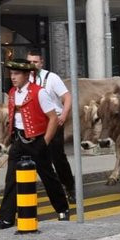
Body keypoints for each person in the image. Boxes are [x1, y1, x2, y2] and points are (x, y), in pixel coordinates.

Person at [0, 60, 70, 230]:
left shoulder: (39, 93)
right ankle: (6, 219)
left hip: (37, 140)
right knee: (11, 179)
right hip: (19, 140)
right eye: (11, 74)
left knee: (48, 177)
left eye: (16, 74)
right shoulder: (11, 93)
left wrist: (45, 142)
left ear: (27, 75)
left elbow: (53, 118)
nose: (13, 77)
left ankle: (62, 209)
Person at [25, 48, 76, 203]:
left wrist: (64, 114)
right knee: (39, 158)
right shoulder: (24, 78)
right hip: (34, 123)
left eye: (35, 62)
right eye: (29, 62)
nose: (32, 65)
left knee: (57, 156)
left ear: (41, 62)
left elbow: (67, 97)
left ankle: (69, 186)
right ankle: (53, 189)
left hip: (53, 121)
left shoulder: (51, 78)